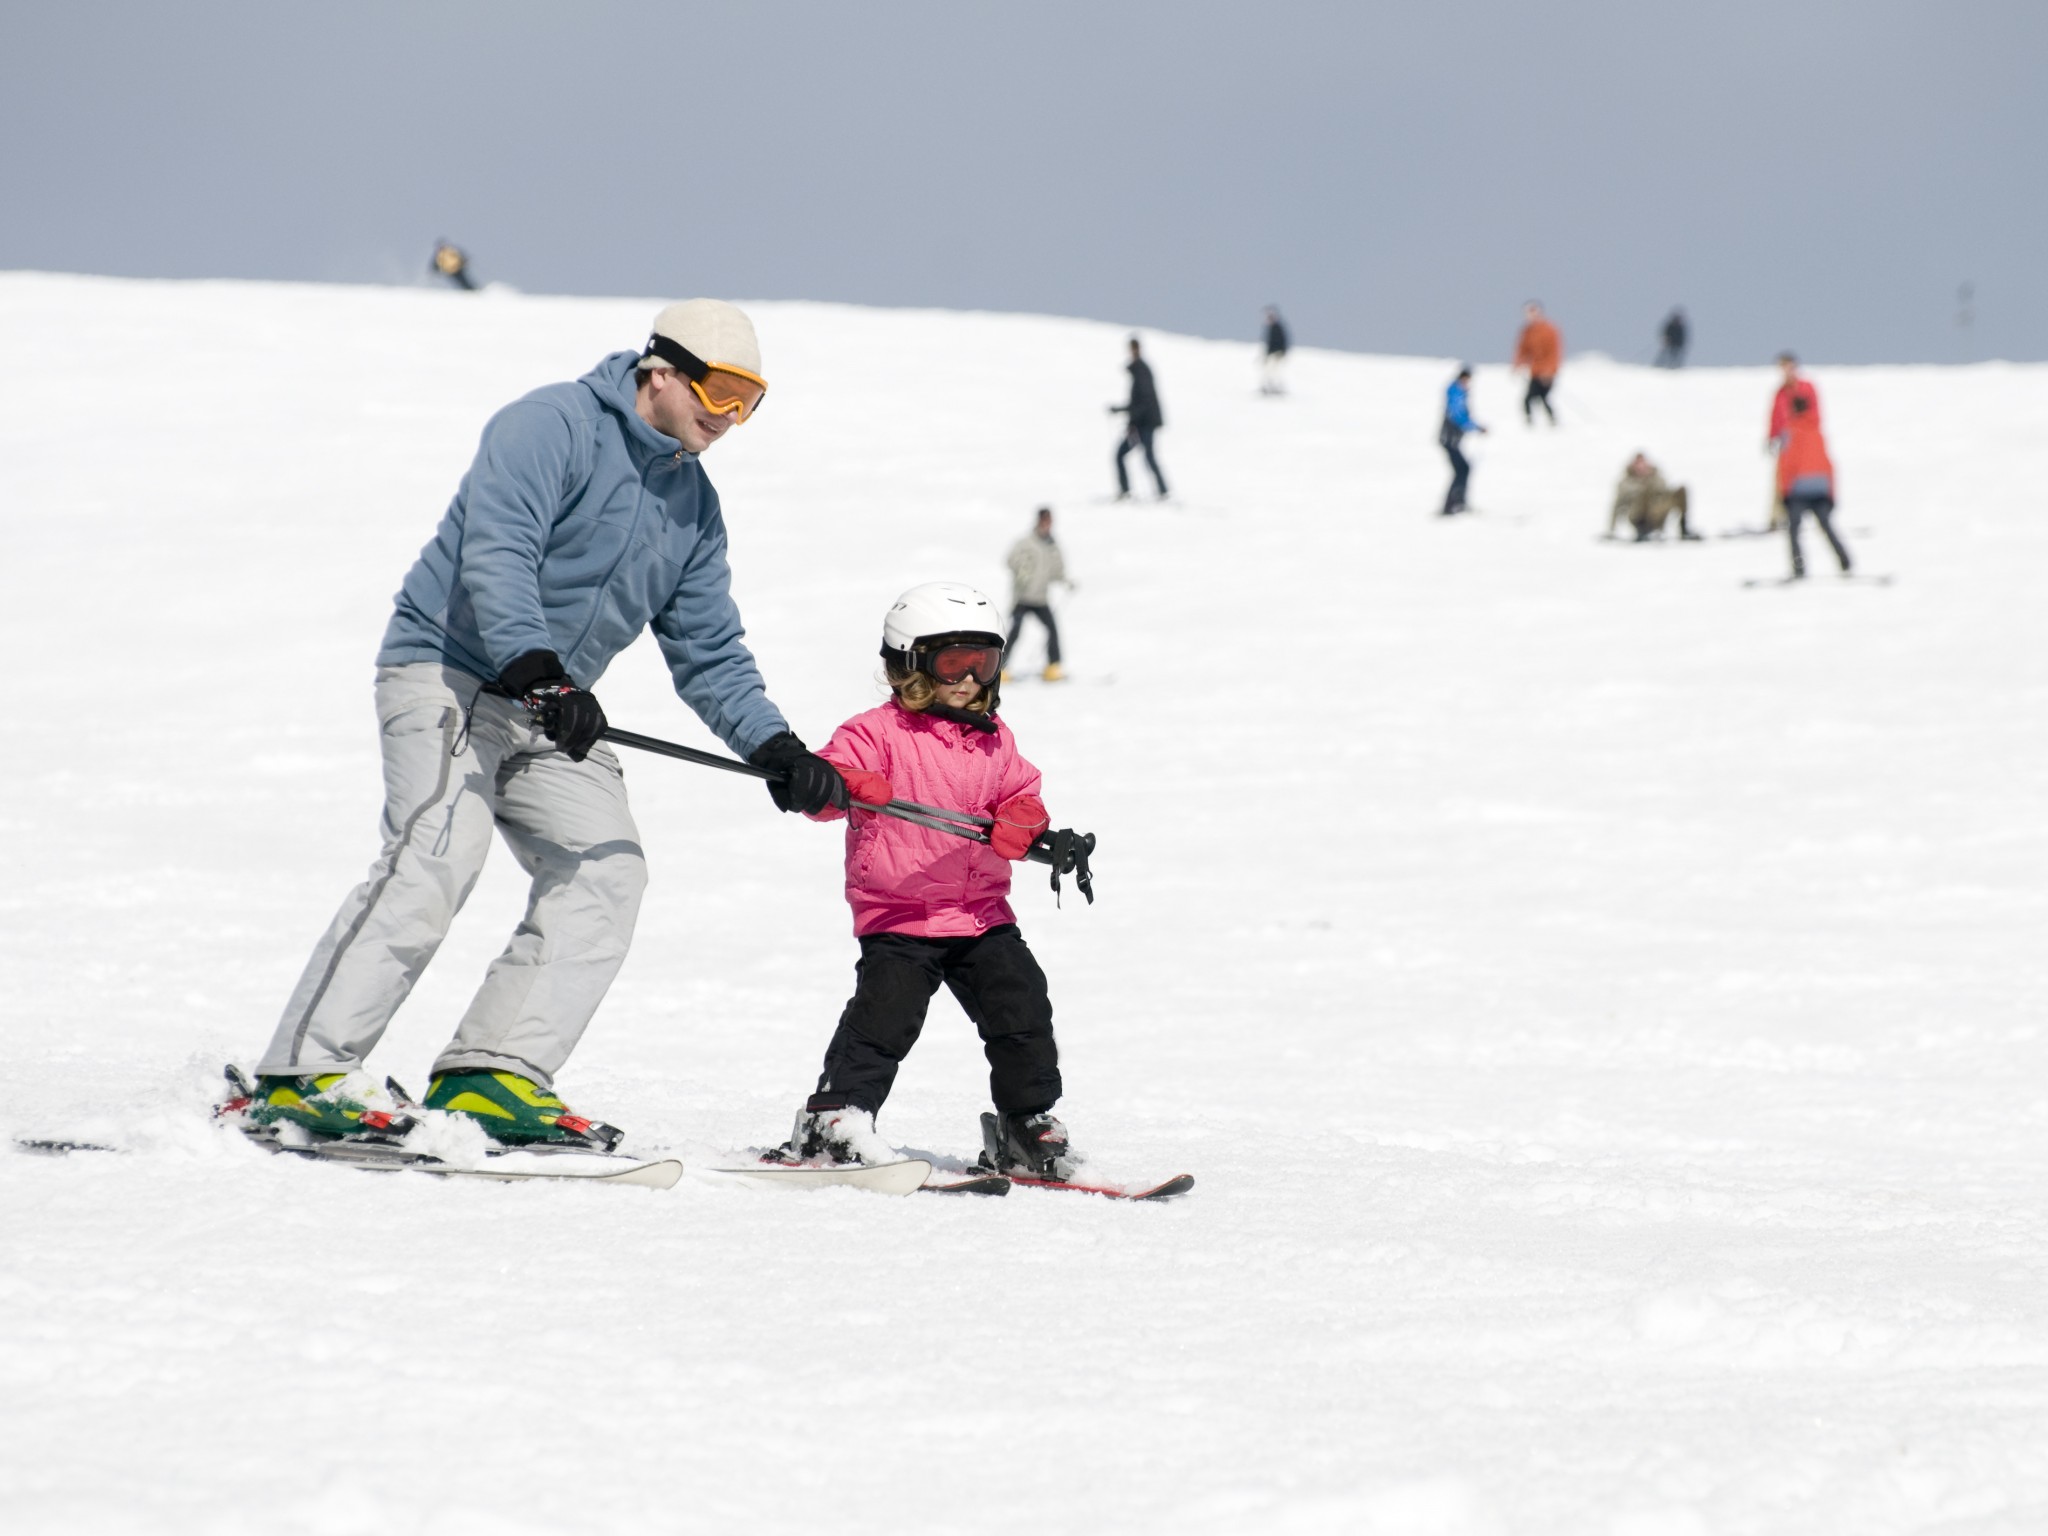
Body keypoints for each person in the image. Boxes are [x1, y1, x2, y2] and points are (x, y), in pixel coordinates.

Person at [239, 300, 848, 1148]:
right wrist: (537, 671)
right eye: (721, 390)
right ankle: (301, 1075)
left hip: (552, 710)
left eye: (751, 400)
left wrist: (775, 748)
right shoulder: (551, 424)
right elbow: (500, 549)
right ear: (661, 371)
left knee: (609, 869)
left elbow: (708, 652)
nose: (730, 416)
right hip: (450, 672)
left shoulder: (693, 508)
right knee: (438, 853)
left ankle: (491, 1073)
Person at [776, 583, 1082, 1180]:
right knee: (884, 1018)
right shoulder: (876, 732)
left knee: (1021, 1007)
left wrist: (1025, 817)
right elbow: (825, 790)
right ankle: (835, 1119)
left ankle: (1025, 1123)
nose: (970, 678)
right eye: (952, 662)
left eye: (984, 661)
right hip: (902, 914)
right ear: (909, 664)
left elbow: (1020, 791)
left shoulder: (994, 737)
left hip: (982, 914)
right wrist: (834, 783)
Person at [1778, 394, 1852, 579]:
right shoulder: (1817, 431)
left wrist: (1784, 492)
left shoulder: (1790, 432)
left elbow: (1786, 464)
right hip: (1820, 487)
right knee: (1826, 526)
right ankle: (1844, 559)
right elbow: (1828, 464)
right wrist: (1831, 492)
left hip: (1799, 490)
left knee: (1794, 529)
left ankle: (1798, 565)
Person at [1003, 506, 1070, 682]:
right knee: (1015, 632)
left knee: (1052, 630)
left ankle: (1053, 666)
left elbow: (1057, 568)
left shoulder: (1052, 545)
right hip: (1023, 597)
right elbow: (1010, 559)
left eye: (1050, 521)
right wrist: (1021, 568)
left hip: (1040, 598)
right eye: (1045, 521)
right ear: (1039, 521)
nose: (1048, 525)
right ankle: (1001, 667)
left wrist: (1065, 581)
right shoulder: (1026, 542)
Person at [1765, 352, 1821, 530]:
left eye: (1787, 367)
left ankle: (1811, 515)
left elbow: (1814, 415)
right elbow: (1775, 417)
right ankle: (1776, 517)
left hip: (1803, 441)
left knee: (1803, 480)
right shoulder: (1781, 392)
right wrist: (1772, 437)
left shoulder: (1805, 388)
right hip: (1785, 441)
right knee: (1781, 479)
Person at [1111, 336, 1168, 499]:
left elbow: (1144, 403)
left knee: (1143, 456)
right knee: (1144, 456)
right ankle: (1161, 491)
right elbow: (1139, 403)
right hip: (1141, 423)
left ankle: (1161, 491)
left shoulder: (1141, 372)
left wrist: (1130, 418)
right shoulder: (1140, 371)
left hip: (1144, 424)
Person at [1606, 453, 1699, 541]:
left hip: (1656, 513)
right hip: (1637, 515)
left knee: (1681, 491)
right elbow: (1617, 506)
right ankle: (1642, 530)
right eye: (1638, 464)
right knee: (1642, 493)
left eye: (1643, 464)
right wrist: (1611, 530)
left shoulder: (1657, 478)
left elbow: (1664, 493)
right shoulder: (1625, 483)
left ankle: (1684, 528)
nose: (1641, 467)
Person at [1439, 366, 1486, 515]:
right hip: (1449, 438)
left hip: (1451, 438)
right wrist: (1475, 427)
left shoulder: (1458, 392)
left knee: (1462, 470)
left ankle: (1455, 503)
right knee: (1463, 469)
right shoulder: (1456, 393)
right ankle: (1454, 505)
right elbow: (1457, 415)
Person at [1512, 300, 1563, 425]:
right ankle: (1529, 422)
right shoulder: (1527, 331)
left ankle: (1552, 421)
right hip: (1535, 372)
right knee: (1529, 399)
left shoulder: (1549, 330)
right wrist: (1518, 364)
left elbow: (1554, 352)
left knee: (1543, 397)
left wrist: (1549, 371)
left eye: (1533, 311)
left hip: (1547, 373)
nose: (1530, 315)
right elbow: (1522, 349)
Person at [1260, 305, 1290, 394]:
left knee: (1274, 370)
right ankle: (1270, 386)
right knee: (1269, 370)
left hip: (1277, 354)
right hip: (1273, 354)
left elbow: (1280, 342)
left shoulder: (1277, 328)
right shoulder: (1272, 328)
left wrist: (1281, 352)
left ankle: (1275, 387)